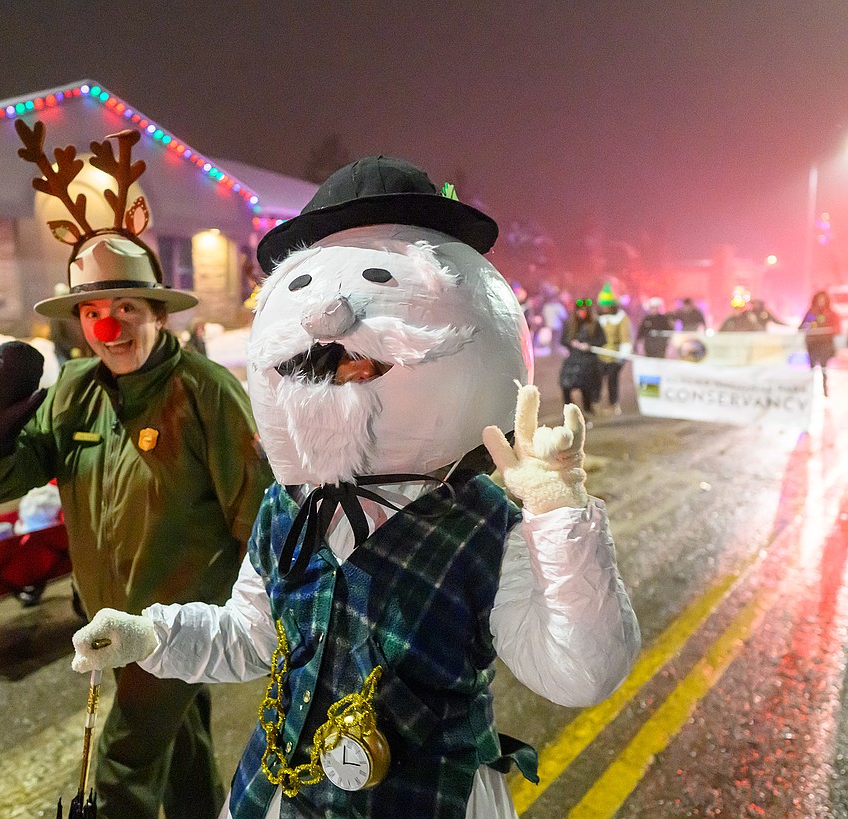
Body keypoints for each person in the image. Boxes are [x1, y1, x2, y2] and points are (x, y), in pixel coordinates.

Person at [70, 156, 638, 818]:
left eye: (377, 277)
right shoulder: (285, 508)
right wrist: (150, 636)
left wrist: (558, 513)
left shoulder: (486, 523)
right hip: (277, 794)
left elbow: (578, 670)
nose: (330, 318)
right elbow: (252, 633)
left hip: (428, 800)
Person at [0, 125, 272, 819]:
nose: (108, 326)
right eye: (92, 311)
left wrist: (276, 620)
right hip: (106, 622)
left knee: (123, 762)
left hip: (180, 622)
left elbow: (261, 512)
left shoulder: (207, 392)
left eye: (126, 307)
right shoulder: (72, 390)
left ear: (157, 311)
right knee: (180, 746)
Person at [560, 296, 606, 418]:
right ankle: (569, 411)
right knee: (566, 385)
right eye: (580, 310)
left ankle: (588, 409)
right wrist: (571, 343)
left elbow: (602, 340)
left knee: (586, 388)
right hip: (573, 359)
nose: (582, 313)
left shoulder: (595, 324)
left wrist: (589, 345)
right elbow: (563, 340)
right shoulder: (570, 324)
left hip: (588, 361)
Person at [595, 285, 632, 414]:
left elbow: (625, 339)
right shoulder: (596, 318)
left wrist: (621, 356)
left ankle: (613, 404)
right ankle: (596, 404)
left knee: (612, 380)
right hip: (599, 355)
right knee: (596, 380)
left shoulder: (621, 318)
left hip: (614, 356)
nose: (604, 308)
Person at [800, 290, 841, 397]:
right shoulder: (812, 313)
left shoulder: (830, 313)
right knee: (812, 368)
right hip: (813, 344)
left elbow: (837, 328)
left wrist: (830, 330)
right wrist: (809, 328)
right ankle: (810, 390)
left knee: (824, 367)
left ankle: (825, 390)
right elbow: (803, 325)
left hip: (825, 344)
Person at [47, 282, 94, 367]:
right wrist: (71, 349)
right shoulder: (56, 317)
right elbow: (56, 336)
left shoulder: (73, 314)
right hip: (64, 354)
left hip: (78, 352)